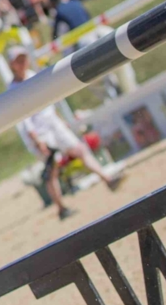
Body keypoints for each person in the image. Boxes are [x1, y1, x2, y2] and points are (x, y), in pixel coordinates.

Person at [7, 47, 123, 218]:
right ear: (13, 65)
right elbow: (24, 120)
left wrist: (60, 120)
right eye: (19, 60)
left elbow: (47, 103)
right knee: (52, 170)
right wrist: (37, 140)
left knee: (80, 150)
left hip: (52, 123)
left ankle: (107, 179)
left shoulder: (32, 75)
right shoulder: (12, 90)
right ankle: (61, 208)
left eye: (24, 58)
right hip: (40, 132)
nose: (24, 62)